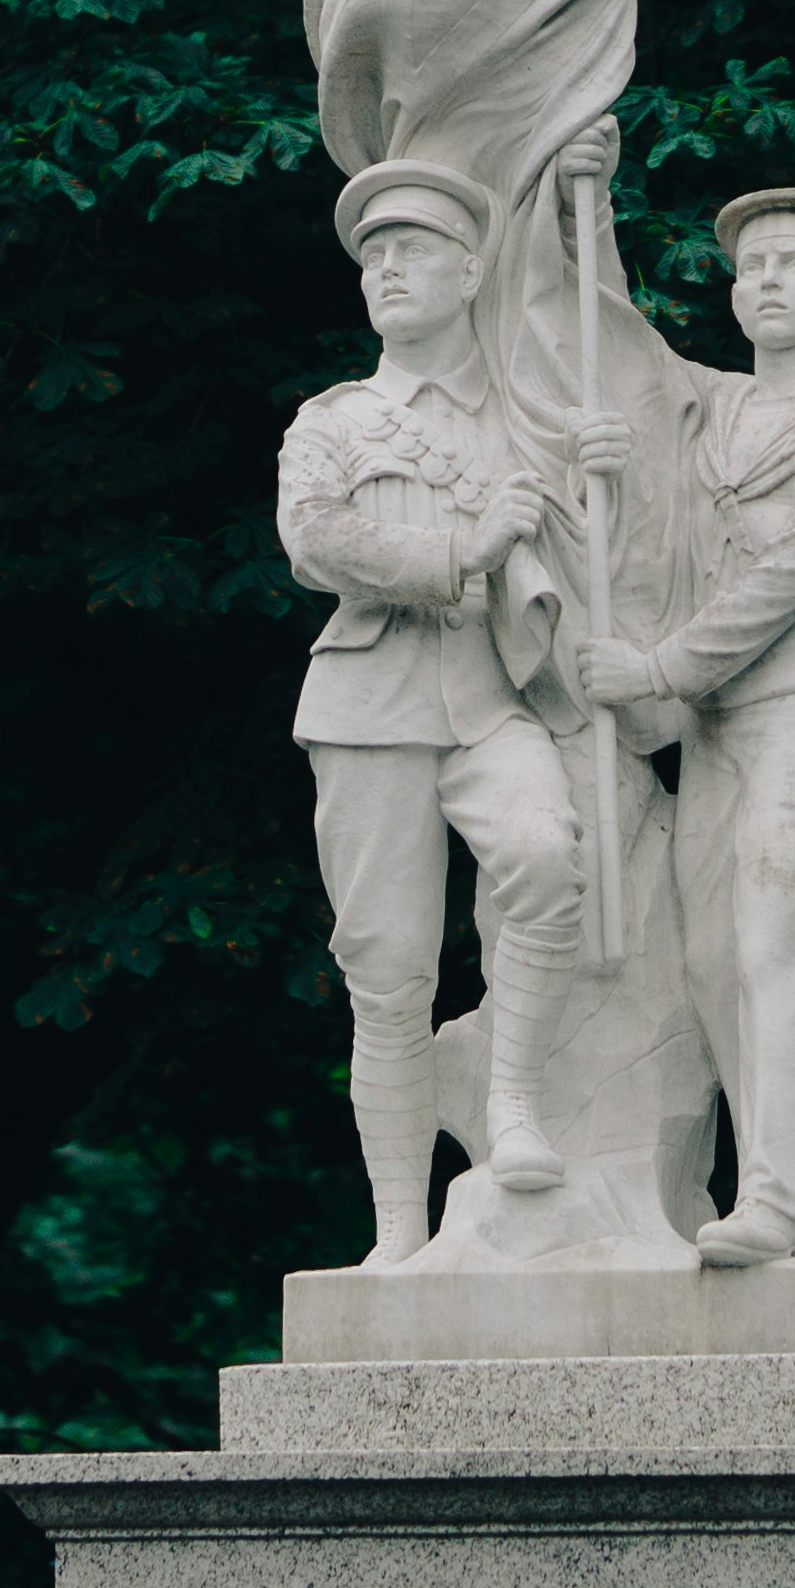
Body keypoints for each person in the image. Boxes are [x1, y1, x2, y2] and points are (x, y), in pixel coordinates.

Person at [572, 174, 795, 1270]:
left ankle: (783, 1198)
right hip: (714, 723)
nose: (769, 281)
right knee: (716, 957)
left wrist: (657, 667)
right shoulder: (711, 404)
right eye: (751, 267)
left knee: (773, 943)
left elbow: (793, 572)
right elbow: (605, 333)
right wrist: (575, 205)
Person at [277, 157, 588, 1264]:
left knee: (547, 861)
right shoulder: (334, 419)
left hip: (490, 696)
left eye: (412, 251)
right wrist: (467, 544)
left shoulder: (526, 409)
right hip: (368, 703)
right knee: (389, 973)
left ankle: (509, 1106)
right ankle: (398, 1230)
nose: (387, 270)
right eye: (373, 256)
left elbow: (606, 503)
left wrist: (593, 471)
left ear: (469, 272)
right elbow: (321, 543)